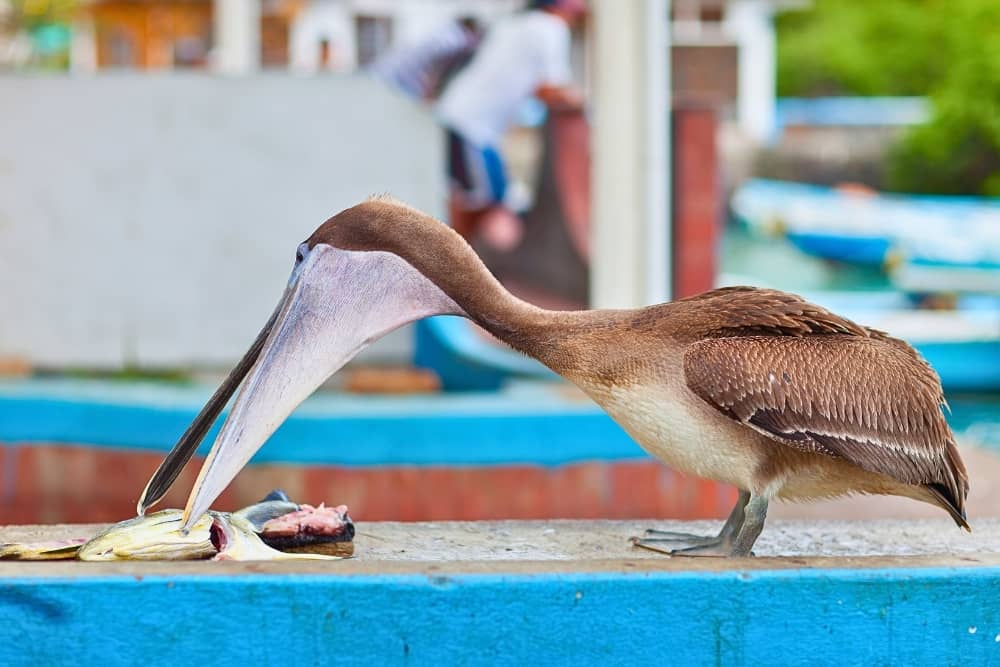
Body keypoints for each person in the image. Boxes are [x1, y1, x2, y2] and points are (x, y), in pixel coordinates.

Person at [435, 0, 586, 250]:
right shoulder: (551, 28)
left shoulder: (515, 24)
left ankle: (452, 269)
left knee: (480, 202)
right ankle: (446, 270)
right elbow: (550, 89)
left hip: (466, 121)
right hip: (472, 126)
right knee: (483, 207)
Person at [369, 17, 483, 102]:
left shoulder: (443, 31)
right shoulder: (458, 40)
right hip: (400, 83)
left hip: (384, 72)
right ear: (471, 29)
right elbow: (438, 65)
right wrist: (429, 92)